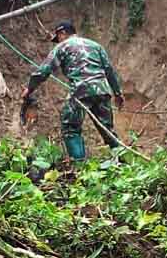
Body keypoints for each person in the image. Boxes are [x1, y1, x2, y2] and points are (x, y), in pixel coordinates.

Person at [21, 20, 124, 161]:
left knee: (70, 127)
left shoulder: (62, 47)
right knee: (107, 129)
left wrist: (29, 89)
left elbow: (43, 71)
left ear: (62, 33)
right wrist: (117, 93)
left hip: (80, 91)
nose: (58, 42)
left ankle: (79, 165)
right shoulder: (95, 46)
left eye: (58, 38)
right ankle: (122, 161)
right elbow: (109, 71)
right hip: (102, 90)